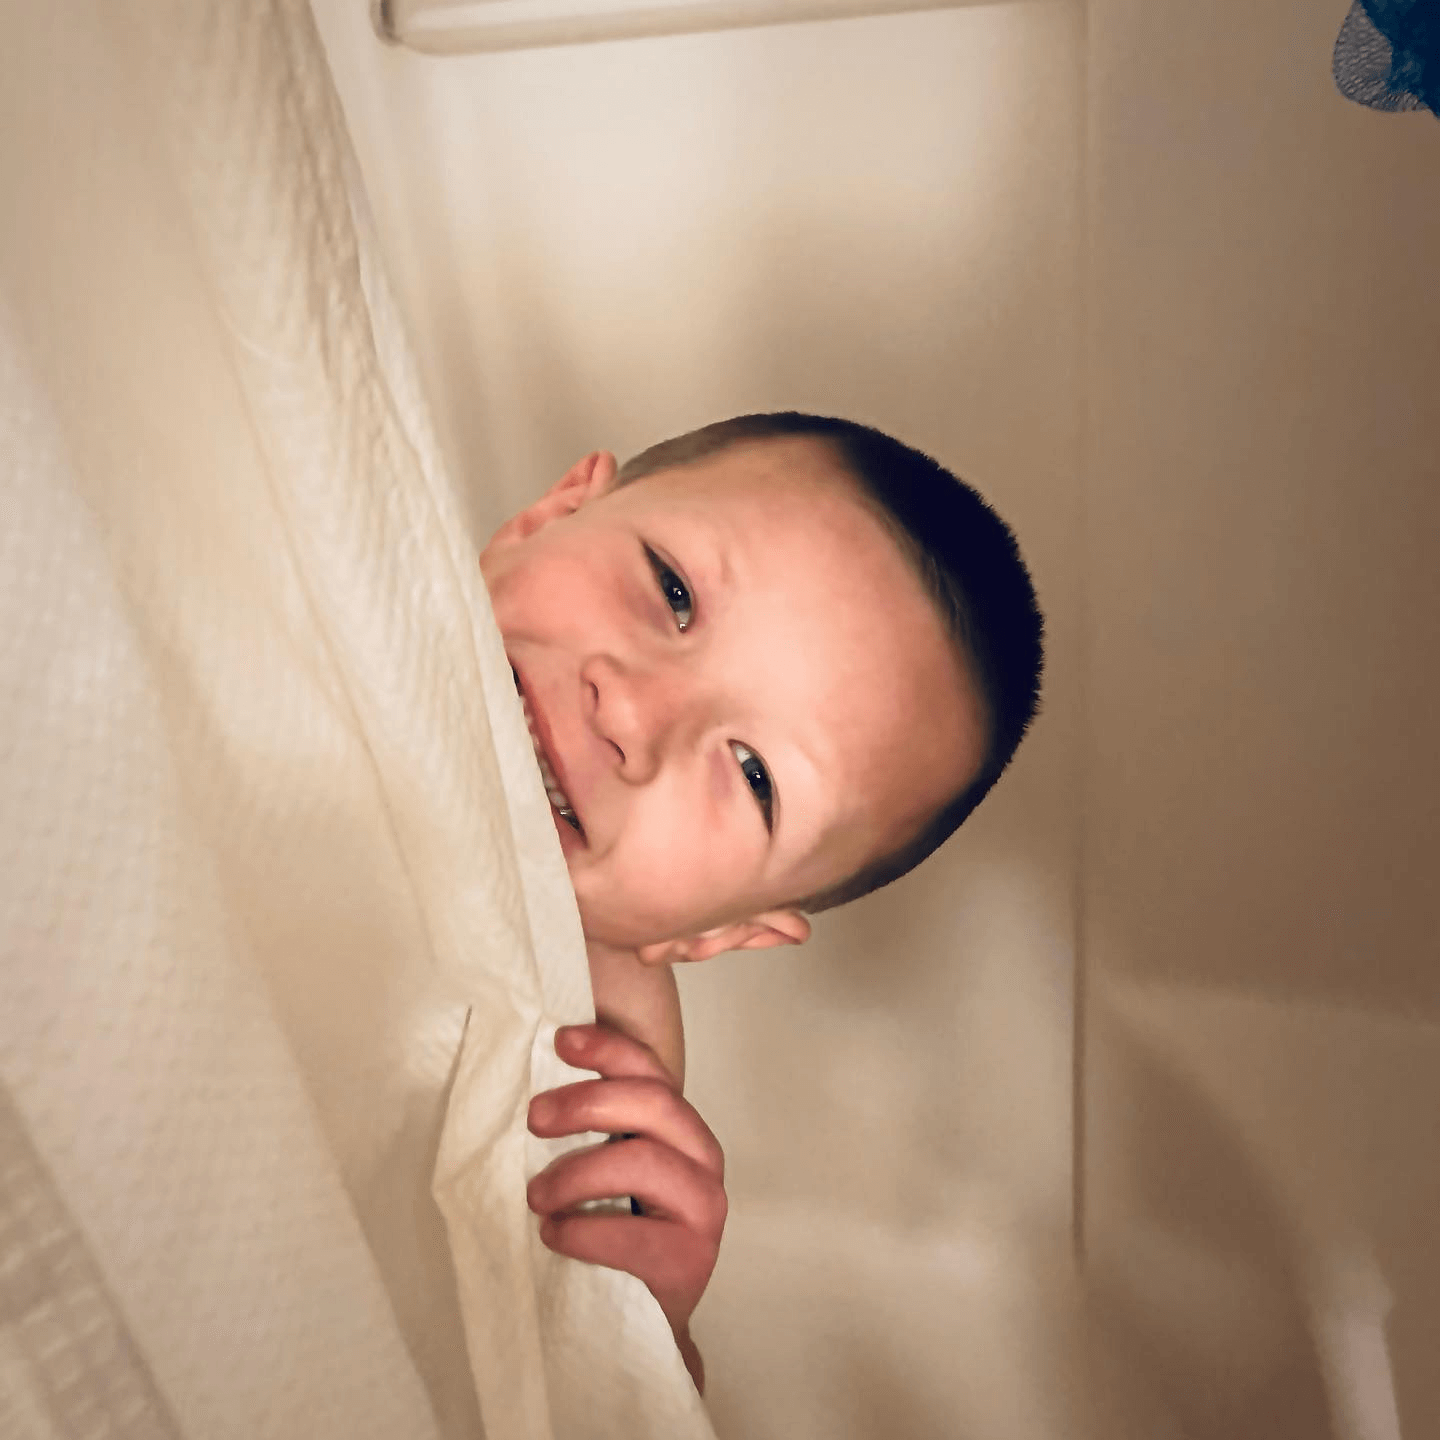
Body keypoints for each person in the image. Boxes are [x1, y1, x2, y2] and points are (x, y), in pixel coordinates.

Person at [478, 412, 1044, 1392]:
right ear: (550, 513)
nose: (637, 714)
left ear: (715, 933)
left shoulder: (602, 1080)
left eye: (752, 774)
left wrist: (648, 1329)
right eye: (673, 590)